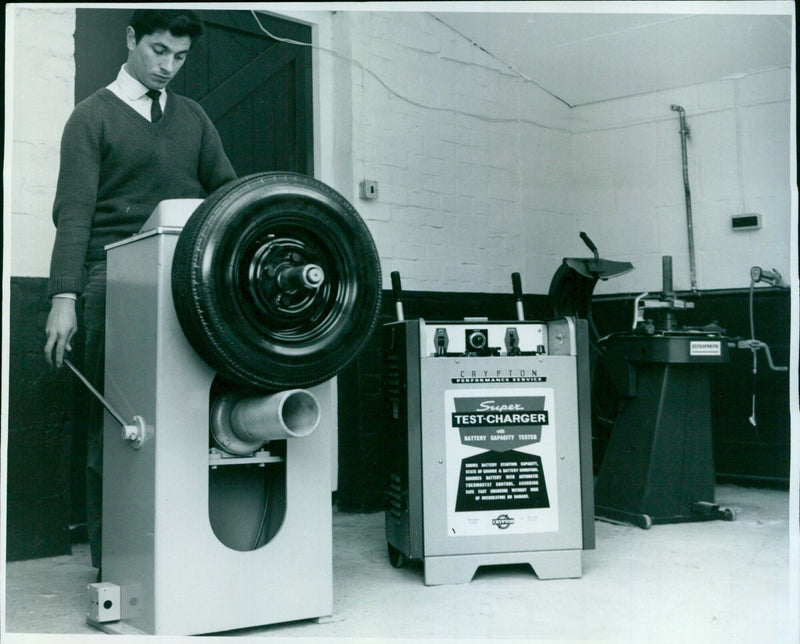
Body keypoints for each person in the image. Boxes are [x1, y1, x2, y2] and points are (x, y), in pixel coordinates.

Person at [43, 9, 237, 578]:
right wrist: (64, 297)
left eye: (179, 57)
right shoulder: (90, 118)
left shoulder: (194, 118)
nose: (167, 67)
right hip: (113, 285)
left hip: (186, 285)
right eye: (157, 51)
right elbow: (73, 215)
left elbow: (228, 193)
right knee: (119, 429)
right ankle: (118, 570)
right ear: (130, 40)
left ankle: (184, 560)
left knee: (190, 420)